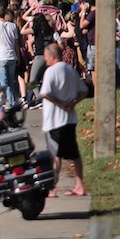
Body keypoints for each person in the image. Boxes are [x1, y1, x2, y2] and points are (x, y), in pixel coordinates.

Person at [39, 43, 89, 197]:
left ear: (52, 56)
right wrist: (73, 102)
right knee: (74, 154)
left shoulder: (51, 71)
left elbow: (45, 93)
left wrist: (60, 103)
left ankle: (52, 188)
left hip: (54, 120)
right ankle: (79, 185)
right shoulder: (70, 69)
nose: (45, 59)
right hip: (69, 119)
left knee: (55, 154)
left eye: (46, 56)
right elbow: (84, 90)